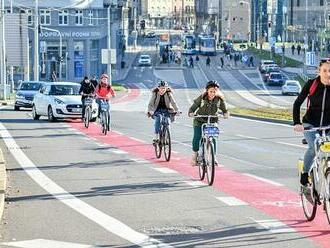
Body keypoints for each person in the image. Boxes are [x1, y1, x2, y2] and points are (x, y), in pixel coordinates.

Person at [293, 58, 330, 186]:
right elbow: (297, 103)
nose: (328, 74)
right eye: (324, 70)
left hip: (328, 126)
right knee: (315, 147)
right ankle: (305, 173)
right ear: (319, 71)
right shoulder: (311, 84)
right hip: (310, 125)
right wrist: (297, 123)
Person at [188, 80, 229, 166]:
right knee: (197, 137)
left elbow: (225, 110)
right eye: (211, 91)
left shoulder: (219, 100)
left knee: (213, 138)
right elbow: (192, 108)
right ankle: (195, 155)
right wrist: (191, 113)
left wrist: (226, 114)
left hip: (212, 121)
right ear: (207, 90)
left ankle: (214, 156)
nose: (212, 93)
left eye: (214, 92)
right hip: (199, 121)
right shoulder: (202, 98)